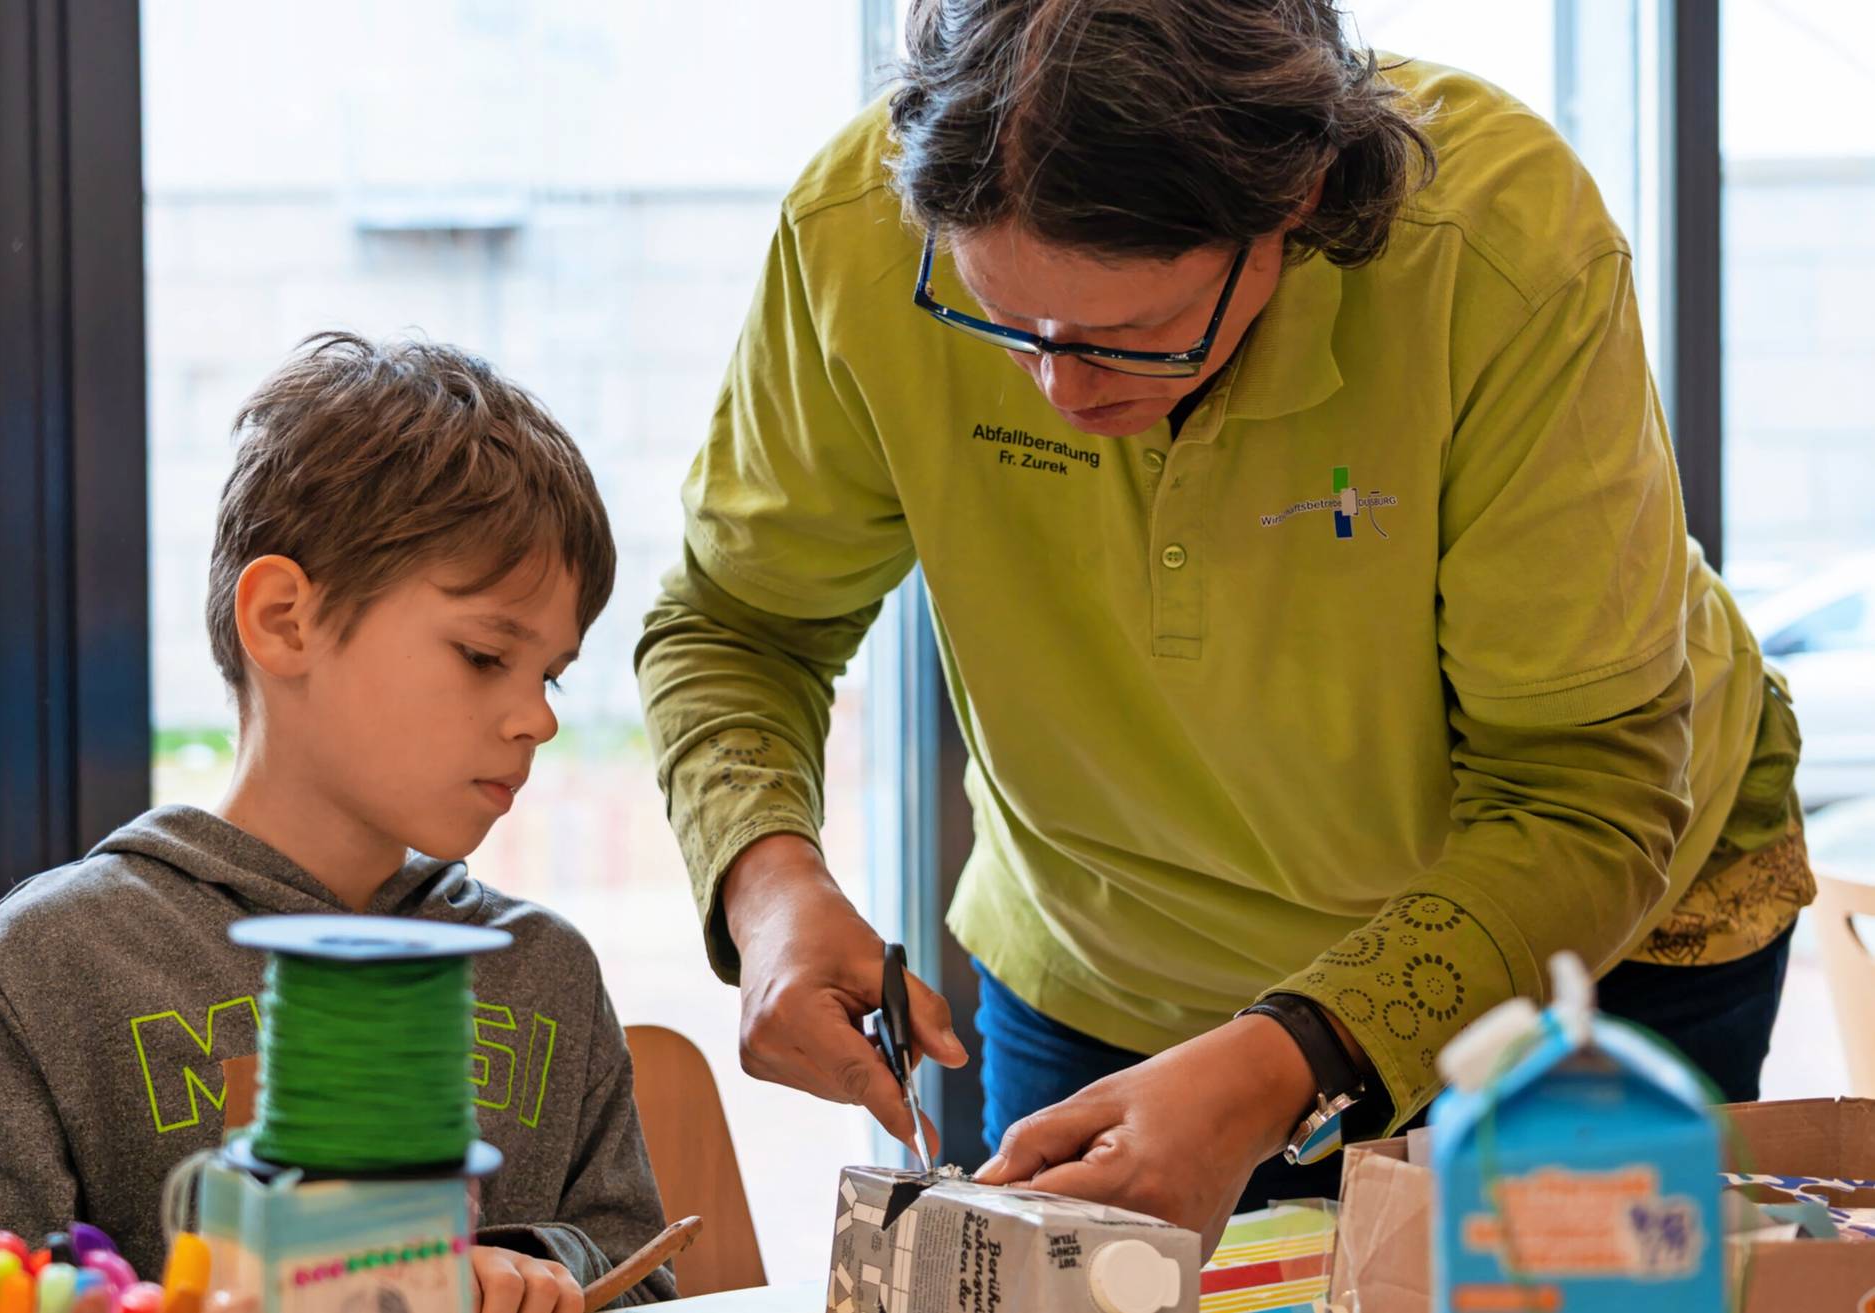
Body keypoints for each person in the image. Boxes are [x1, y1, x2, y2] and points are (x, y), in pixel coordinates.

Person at [635, 0, 1810, 1255]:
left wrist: (1284, 1062)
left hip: (1580, 955)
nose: (1062, 386)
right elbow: (735, 621)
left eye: (1133, 334)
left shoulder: (1502, 246)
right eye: (1002, 322)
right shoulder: (856, 233)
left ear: (1297, 202)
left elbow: (1588, 791)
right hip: (1107, 952)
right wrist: (769, 883)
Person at [0, 334, 676, 1313]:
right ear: (286, 620)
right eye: (481, 654)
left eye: (549, 673)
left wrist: (522, 1264)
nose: (538, 717)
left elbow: (646, 1274)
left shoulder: (545, 967)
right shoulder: (40, 969)